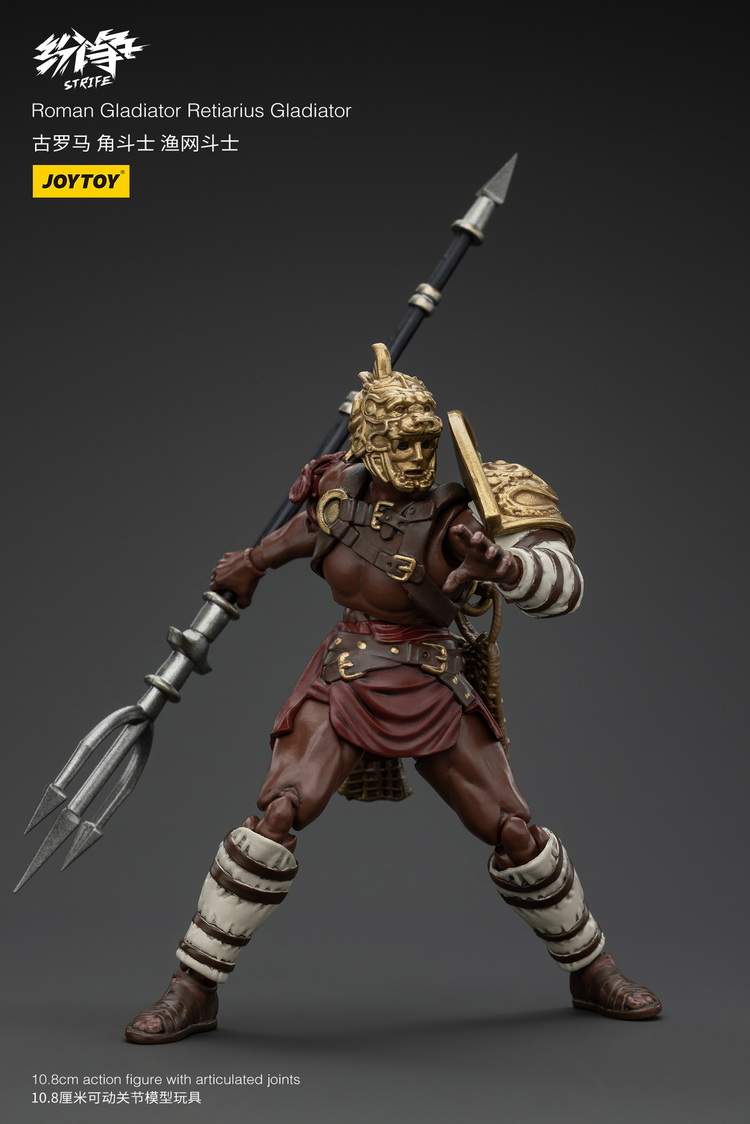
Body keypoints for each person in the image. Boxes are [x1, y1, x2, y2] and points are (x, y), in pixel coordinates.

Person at [125, 344, 660, 1043]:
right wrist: (253, 563)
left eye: (426, 442)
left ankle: (591, 969)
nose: (417, 455)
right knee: (279, 811)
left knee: (512, 829)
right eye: (402, 441)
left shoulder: (461, 516)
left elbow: (565, 586)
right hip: (346, 669)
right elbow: (311, 527)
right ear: (370, 441)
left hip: (429, 674)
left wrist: (504, 563)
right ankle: (193, 987)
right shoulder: (340, 489)